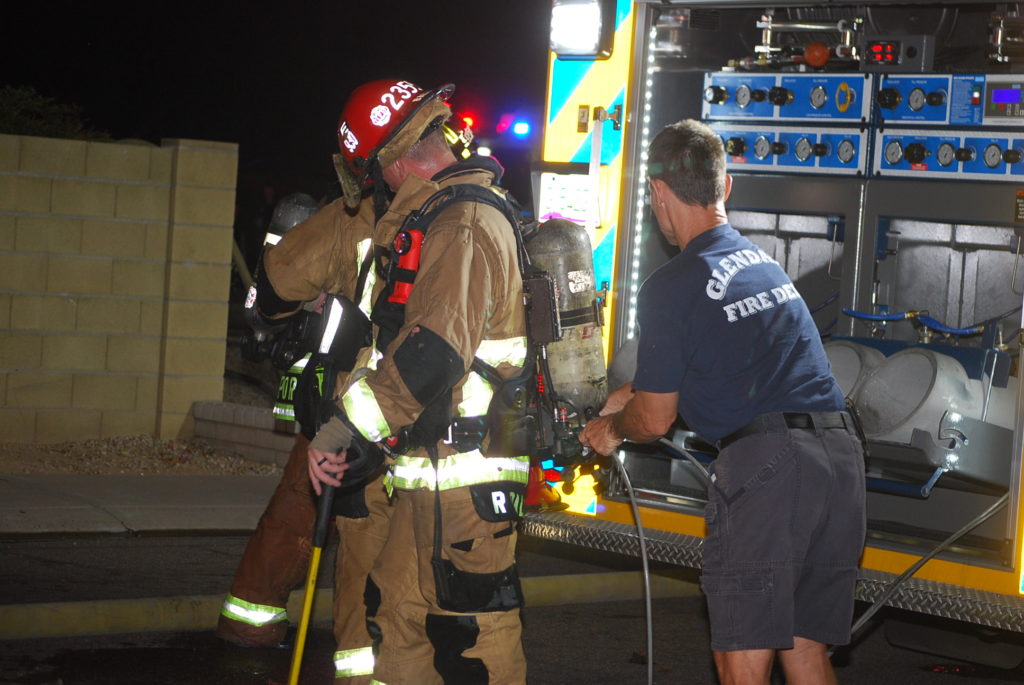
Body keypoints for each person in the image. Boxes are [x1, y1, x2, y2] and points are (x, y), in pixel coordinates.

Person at [579, 119, 866, 685]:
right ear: (724, 187)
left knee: (742, 657)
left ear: (658, 192)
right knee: (805, 650)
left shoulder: (671, 284)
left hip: (771, 470)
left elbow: (655, 419)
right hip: (839, 460)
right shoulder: (762, 264)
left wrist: (611, 431)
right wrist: (620, 399)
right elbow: (719, 366)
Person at [308, 79, 529, 684]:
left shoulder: (463, 224)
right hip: (431, 471)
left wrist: (343, 428)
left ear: (398, 161)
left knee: (475, 635)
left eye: (376, 173)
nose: (379, 188)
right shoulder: (442, 217)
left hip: (467, 479)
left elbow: (434, 353)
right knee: (396, 612)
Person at [216, 180, 388, 685]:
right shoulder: (369, 224)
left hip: (327, 393)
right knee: (350, 527)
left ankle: (249, 617)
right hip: (353, 400)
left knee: (298, 504)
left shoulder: (344, 220)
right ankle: (361, 660)